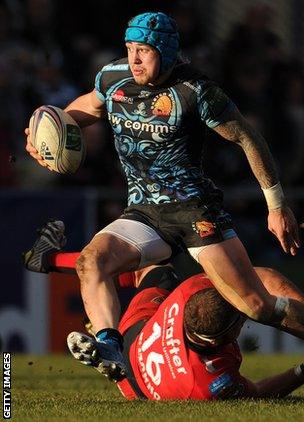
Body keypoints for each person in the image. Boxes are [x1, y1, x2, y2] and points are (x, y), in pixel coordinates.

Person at [25, 12, 302, 380]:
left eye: (144, 51)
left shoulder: (196, 91)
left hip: (195, 212)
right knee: (92, 261)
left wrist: (276, 205)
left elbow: (247, 139)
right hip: (144, 212)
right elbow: (83, 109)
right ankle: (109, 345)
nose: (134, 59)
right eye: (130, 49)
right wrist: (44, 131)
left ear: (167, 53)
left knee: (256, 306)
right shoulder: (113, 78)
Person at [69, 264, 304, 400]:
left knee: (152, 270)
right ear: (219, 340)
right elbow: (259, 393)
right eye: (240, 320)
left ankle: (109, 341)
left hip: (139, 330)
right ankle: (109, 339)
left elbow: (260, 277)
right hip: (134, 384)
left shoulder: (192, 289)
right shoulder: (210, 383)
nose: (244, 319)